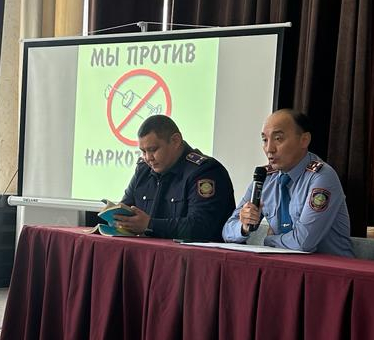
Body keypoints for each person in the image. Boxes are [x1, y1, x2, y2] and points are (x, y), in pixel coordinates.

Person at [222, 109, 354, 256]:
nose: (269, 149)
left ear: (304, 140)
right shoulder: (265, 178)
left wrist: (269, 240)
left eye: (278, 139)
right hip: (282, 264)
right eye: (265, 140)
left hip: (329, 267)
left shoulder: (321, 177)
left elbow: (303, 243)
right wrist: (244, 227)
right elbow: (227, 231)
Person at [114, 114, 235, 242]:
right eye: (143, 151)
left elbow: (200, 227)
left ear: (175, 141)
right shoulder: (143, 170)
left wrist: (150, 225)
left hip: (192, 254)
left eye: (153, 150)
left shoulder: (205, 171)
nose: (148, 158)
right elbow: (124, 210)